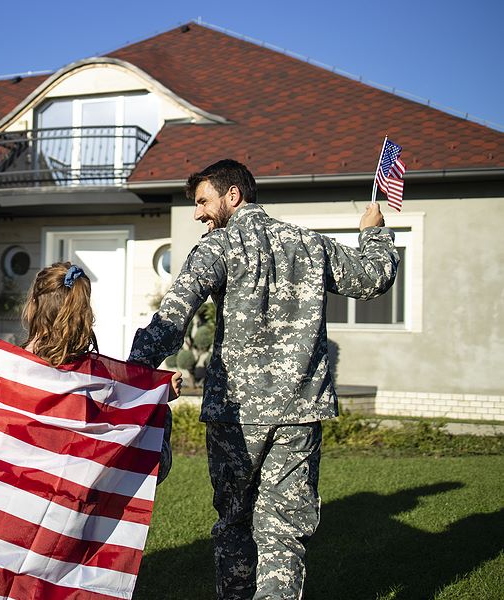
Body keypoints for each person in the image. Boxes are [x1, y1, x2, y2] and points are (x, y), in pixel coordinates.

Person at [128, 159, 398, 599]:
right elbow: (374, 278)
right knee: (284, 530)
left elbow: (171, 319)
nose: (197, 213)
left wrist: (129, 377)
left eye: (202, 201)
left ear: (233, 195)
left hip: (236, 417)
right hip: (299, 413)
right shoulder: (310, 243)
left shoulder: (216, 247)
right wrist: (373, 231)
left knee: (234, 522)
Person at [22, 262, 180, 484]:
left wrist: (157, 394)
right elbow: (152, 464)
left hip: (25, 490)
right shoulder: (97, 379)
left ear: (33, 306)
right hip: (72, 498)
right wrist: (157, 400)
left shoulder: (11, 367)